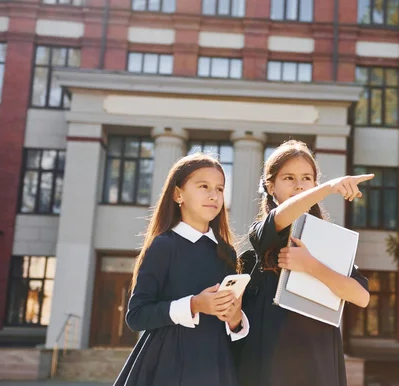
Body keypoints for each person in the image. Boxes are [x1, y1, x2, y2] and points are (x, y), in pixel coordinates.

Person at [238, 140, 372, 386]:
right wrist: (329, 188)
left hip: (318, 361)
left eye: (307, 179)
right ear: (271, 186)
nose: (299, 186)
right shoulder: (263, 232)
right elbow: (283, 214)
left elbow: (361, 297)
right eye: (288, 178)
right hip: (270, 363)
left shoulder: (329, 240)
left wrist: (311, 265)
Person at [114, 153, 249, 386]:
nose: (213, 195)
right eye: (203, 186)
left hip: (215, 366)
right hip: (168, 365)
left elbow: (232, 329)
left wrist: (236, 319)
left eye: (219, 189)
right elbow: (136, 316)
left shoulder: (227, 253)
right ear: (178, 194)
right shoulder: (164, 246)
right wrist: (194, 304)